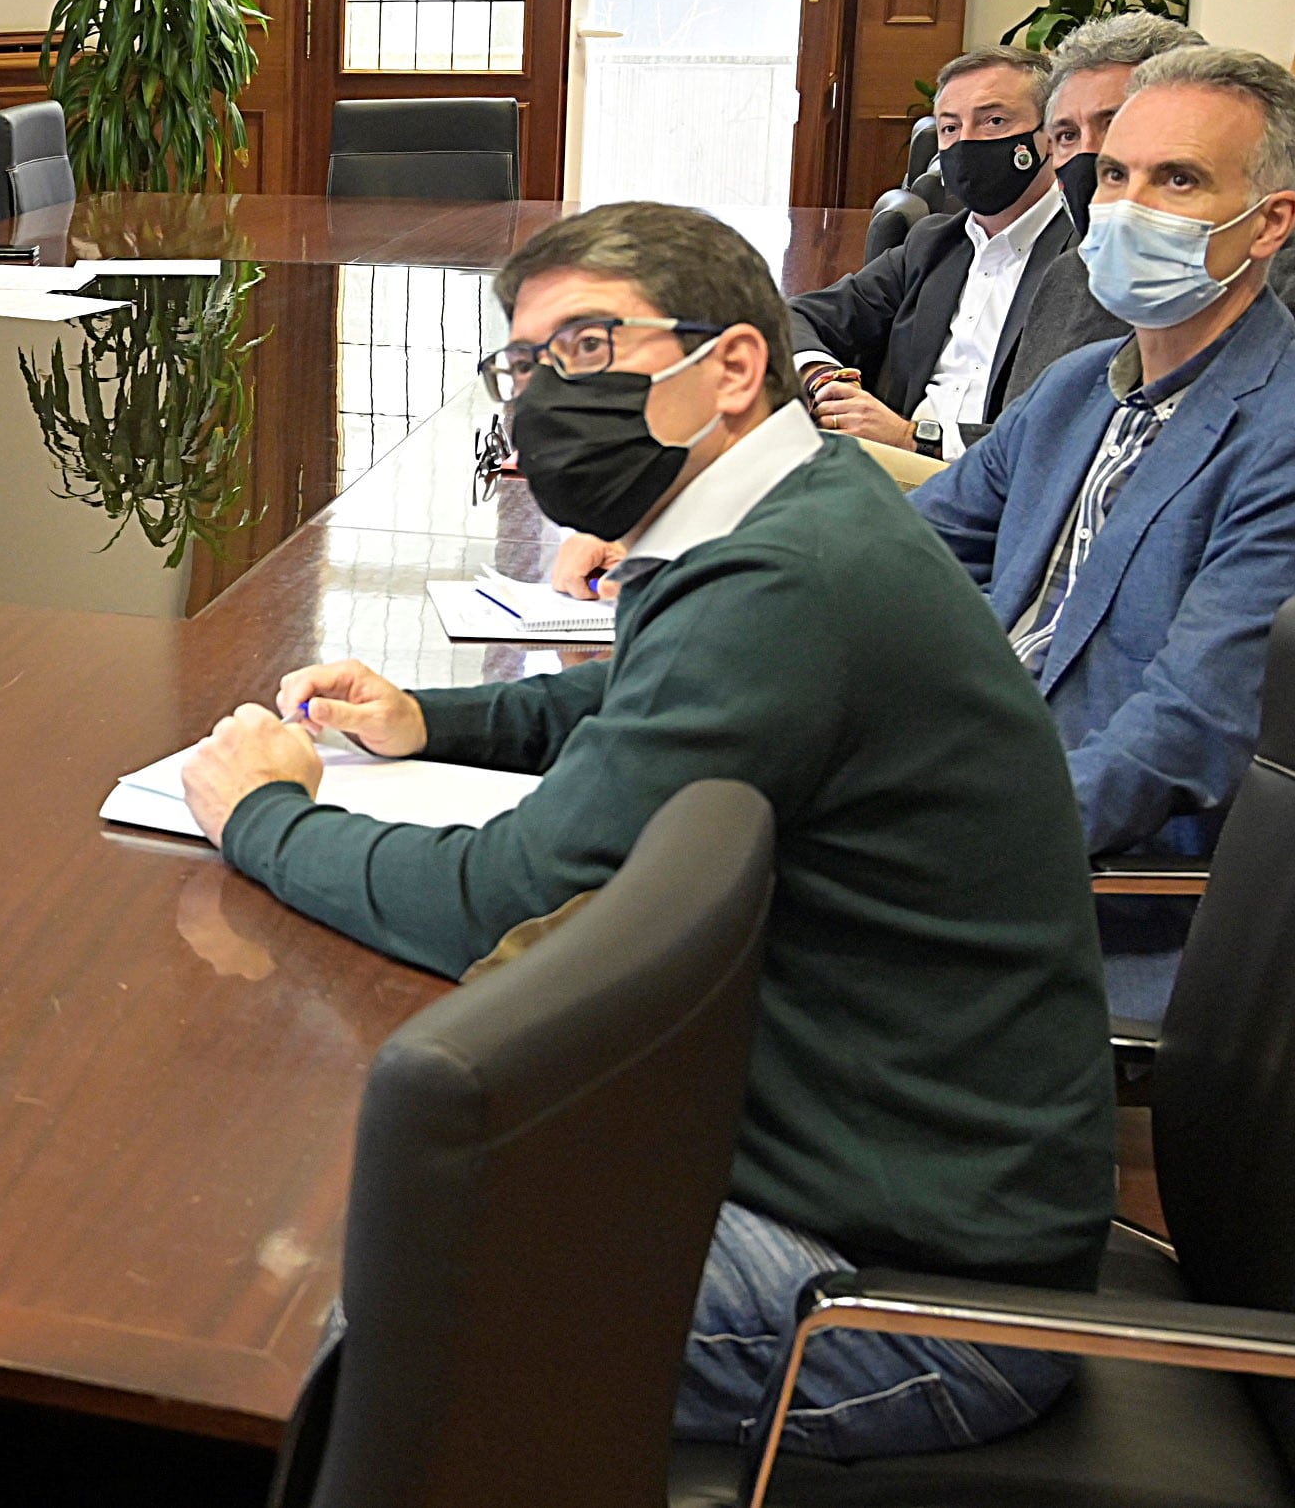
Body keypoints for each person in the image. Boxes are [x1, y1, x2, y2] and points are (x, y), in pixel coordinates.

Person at [180, 202, 1114, 1460]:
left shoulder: (786, 579)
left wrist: (264, 818)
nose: (538, 398)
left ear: (730, 365)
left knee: (306, 1296)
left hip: (904, 1293)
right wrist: (430, 721)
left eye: (581, 350)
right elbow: (634, 694)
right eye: (522, 365)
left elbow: (508, 897)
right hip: (873, 1175)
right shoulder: (800, 499)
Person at [912, 47, 1295, 1005]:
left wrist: (952, 826)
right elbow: (901, 549)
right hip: (971, 762)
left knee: (696, 949)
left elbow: (1184, 738)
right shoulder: (1077, 391)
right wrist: (709, 561)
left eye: (1177, 179)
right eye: (1114, 178)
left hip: (1098, 878)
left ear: (1269, 224)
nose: (1128, 207)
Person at [1001, 11, 1295, 409]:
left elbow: (1288, 410)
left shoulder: (1260, 249)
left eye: (1113, 123)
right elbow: (1022, 444)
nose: (1088, 154)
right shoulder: (1066, 273)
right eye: (1067, 135)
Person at [788, 46, 1069, 459]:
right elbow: (797, 316)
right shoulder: (933, 244)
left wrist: (912, 437)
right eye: (950, 128)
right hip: (889, 474)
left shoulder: (1084, 259)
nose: (966, 143)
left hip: (992, 489)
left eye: (994, 121)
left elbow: (1062, 430)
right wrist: (826, 380)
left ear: (1051, 135)